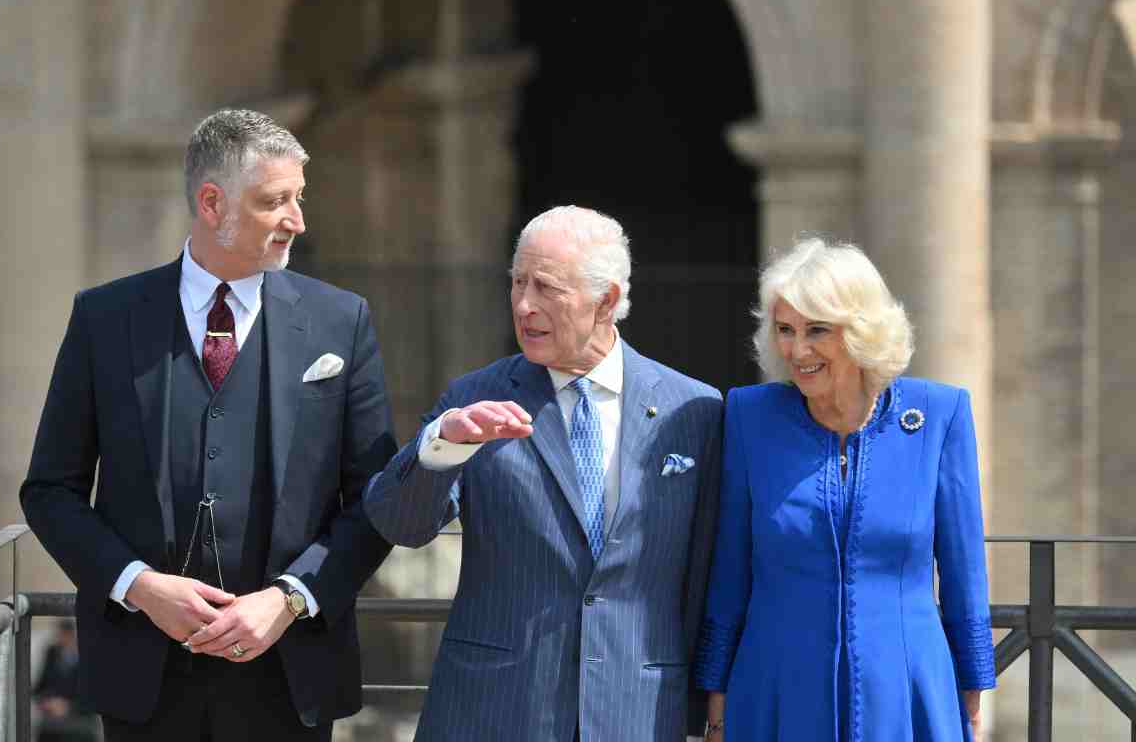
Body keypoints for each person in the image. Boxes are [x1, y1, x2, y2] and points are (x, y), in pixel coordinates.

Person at [20, 109, 397, 740]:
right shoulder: (105, 319)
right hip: (142, 681)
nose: (297, 220)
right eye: (274, 201)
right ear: (212, 201)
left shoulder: (342, 321)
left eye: (299, 198)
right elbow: (50, 492)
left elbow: (376, 498)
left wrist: (290, 598)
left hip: (290, 675)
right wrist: (139, 587)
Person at [364, 205, 723, 742]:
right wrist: (443, 447)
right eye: (517, 282)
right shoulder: (475, 398)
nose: (524, 305)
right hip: (496, 712)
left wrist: (708, 707)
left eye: (546, 287)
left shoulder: (693, 409)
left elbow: (708, 575)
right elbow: (399, 523)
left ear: (606, 300)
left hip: (636, 711)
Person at [693, 237, 996, 741]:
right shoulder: (750, 416)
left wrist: (973, 683)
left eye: (817, 330)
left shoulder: (939, 415)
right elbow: (730, 566)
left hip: (905, 683)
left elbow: (964, 567)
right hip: (776, 684)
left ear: (860, 330)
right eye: (785, 330)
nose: (797, 350)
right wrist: (717, 693)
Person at [34, 621, 100, 742]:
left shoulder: (90, 657)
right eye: (60, 635)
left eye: (65, 635)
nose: (62, 639)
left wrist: (68, 707)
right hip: (52, 724)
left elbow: (95, 698)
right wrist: (47, 702)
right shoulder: (52, 653)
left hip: (80, 725)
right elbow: (40, 686)